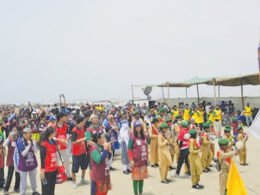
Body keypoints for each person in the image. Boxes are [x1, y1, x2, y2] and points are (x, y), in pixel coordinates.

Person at [16, 128, 40, 195]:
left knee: (33, 179)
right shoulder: (20, 141)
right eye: (29, 133)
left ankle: (34, 191)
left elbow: (36, 151)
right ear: (24, 134)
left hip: (32, 162)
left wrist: (34, 143)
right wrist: (29, 145)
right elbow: (23, 154)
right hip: (23, 164)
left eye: (30, 132)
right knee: (23, 180)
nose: (31, 134)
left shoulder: (31, 140)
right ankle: (22, 192)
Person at [128, 121, 148, 195]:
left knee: (141, 177)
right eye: (136, 126)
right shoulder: (132, 137)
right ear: (134, 128)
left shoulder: (144, 136)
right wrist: (131, 159)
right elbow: (129, 149)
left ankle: (140, 193)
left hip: (143, 160)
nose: (138, 128)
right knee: (136, 178)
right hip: (135, 161)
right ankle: (135, 193)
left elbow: (146, 147)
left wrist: (147, 159)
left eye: (139, 126)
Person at [40, 127, 58, 195]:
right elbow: (42, 158)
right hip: (47, 170)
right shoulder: (44, 144)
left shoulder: (53, 141)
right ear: (51, 134)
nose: (55, 133)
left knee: (52, 187)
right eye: (54, 132)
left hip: (54, 168)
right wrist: (43, 170)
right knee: (46, 189)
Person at [71, 116, 88, 189]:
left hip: (83, 151)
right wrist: (83, 139)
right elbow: (73, 142)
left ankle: (83, 179)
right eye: (83, 122)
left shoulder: (83, 128)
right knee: (74, 168)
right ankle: (74, 182)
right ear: (80, 122)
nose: (84, 123)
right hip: (76, 152)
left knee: (84, 166)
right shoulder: (74, 130)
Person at [3, 127, 20, 194]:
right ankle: (6, 189)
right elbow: (4, 145)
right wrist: (8, 138)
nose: (14, 132)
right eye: (13, 130)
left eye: (15, 130)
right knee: (10, 175)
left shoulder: (19, 139)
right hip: (11, 161)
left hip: (18, 161)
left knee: (18, 175)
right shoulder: (9, 140)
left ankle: (16, 188)